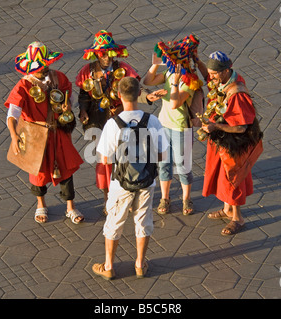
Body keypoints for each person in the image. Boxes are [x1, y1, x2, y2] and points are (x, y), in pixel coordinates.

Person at [75, 30, 166, 214]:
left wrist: (148, 96)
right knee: (105, 162)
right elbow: (84, 95)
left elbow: (135, 90)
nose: (108, 57)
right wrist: (83, 110)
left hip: (124, 123)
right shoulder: (88, 71)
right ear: (96, 54)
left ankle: (131, 196)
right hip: (99, 122)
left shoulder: (123, 69)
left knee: (128, 160)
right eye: (103, 53)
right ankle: (107, 199)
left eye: (110, 52)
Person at [92, 77, 168, 280]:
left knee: (114, 222)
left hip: (121, 183)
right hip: (147, 180)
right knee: (143, 221)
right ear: (139, 94)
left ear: (119, 96)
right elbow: (163, 154)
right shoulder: (152, 120)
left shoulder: (112, 124)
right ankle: (140, 264)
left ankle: (108, 266)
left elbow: (105, 159)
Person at [5, 41, 85, 224]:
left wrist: (67, 106)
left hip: (58, 132)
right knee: (37, 171)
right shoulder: (23, 86)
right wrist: (13, 135)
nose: (44, 69)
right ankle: (40, 204)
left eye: (45, 65)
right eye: (40, 66)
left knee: (66, 169)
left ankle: (70, 207)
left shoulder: (59, 78)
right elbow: (13, 113)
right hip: (36, 135)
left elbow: (70, 97)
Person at [200, 51, 263, 236]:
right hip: (222, 139)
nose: (210, 78)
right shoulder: (223, 81)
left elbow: (241, 127)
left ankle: (238, 218)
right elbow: (207, 78)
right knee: (222, 176)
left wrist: (215, 127)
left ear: (226, 70)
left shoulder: (236, 93)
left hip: (235, 143)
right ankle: (227, 210)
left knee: (232, 179)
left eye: (214, 74)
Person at [142, 34, 204, 216]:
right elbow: (147, 81)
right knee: (164, 165)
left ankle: (186, 199)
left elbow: (176, 104)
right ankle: (165, 198)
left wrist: (175, 83)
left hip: (180, 128)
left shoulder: (190, 81)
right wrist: (156, 63)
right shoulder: (169, 73)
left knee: (183, 166)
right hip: (163, 125)